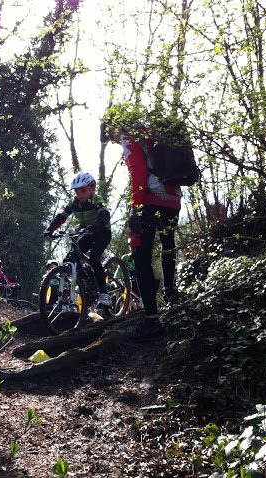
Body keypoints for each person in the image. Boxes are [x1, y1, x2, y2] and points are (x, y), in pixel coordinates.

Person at [101, 109, 181, 336]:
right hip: (173, 200)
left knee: (141, 256)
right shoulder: (151, 135)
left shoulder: (130, 140)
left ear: (115, 127)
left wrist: (135, 208)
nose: (115, 142)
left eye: (112, 137)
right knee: (168, 244)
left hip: (150, 201)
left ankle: (152, 320)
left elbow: (139, 172)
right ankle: (170, 292)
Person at [43, 172, 112, 307]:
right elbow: (62, 217)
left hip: (102, 232)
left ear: (92, 188)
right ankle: (83, 287)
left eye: (83, 190)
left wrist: (96, 226)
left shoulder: (96, 200)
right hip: (86, 232)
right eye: (76, 191)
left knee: (94, 258)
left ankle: (104, 294)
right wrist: (49, 230)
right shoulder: (74, 202)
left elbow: (104, 215)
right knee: (71, 257)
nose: (79, 194)